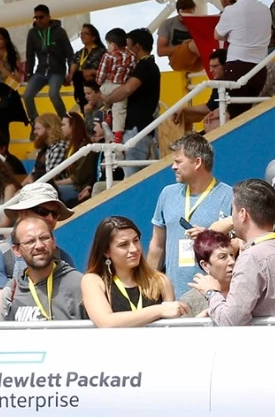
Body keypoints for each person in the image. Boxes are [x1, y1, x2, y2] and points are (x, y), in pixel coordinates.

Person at [194, 179, 275, 324]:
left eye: (232, 211)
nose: (231, 218)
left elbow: (229, 320)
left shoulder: (251, 258)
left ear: (242, 214)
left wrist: (211, 293)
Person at [148, 133, 234, 296]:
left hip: (214, 295)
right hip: (173, 296)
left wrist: (210, 235)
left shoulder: (229, 196)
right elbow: (157, 245)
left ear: (197, 162)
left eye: (178, 161)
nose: (173, 166)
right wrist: (148, 285)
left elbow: (239, 244)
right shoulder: (168, 194)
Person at [0, 181, 75, 318]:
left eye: (55, 213)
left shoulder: (63, 257)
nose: (50, 218)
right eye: (43, 211)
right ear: (22, 213)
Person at [80, 216, 185, 327]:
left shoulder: (160, 281)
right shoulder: (93, 281)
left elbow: (171, 327)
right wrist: (159, 310)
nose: (134, 249)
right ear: (106, 252)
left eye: (136, 240)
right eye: (123, 245)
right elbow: (106, 322)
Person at [0, 215, 85, 322]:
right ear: (16, 250)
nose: (39, 246)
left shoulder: (78, 284)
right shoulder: (12, 290)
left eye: (44, 238)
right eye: (30, 241)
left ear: (53, 242)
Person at [215, 0, 272, 116]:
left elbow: (217, 34)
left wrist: (231, 36)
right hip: (260, 70)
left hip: (237, 68)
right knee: (246, 115)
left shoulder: (231, 10)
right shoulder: (265, 9)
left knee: (231, 117)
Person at [99, 28, 161, 163]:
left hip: (136, 128)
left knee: (132, 174)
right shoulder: (143, 65)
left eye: (128, 46)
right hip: (137, 128)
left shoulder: (145, 66)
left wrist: (108, 99)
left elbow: (127, 89)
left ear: (137, 47)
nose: (125, 50)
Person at [22, 4, 73, 122]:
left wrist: (70, 73)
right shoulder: (32, 33)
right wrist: (29, 74)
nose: (38, 20)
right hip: (40, 71)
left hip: (57, 71)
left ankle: (65, 121)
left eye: (41, 17)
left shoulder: (59, 31)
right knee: (27, 95)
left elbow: (69, 52)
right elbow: (30, 55)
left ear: (48, 17)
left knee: (53, 94)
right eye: (36, 18)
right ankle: (35, 122)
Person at [30, 112, 70, 183]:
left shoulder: (59, 147)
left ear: (49, 129)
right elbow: (33, 174)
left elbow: (51, 176)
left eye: (38, 128)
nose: (34, 132)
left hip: (56, 187)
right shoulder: (44, 148)